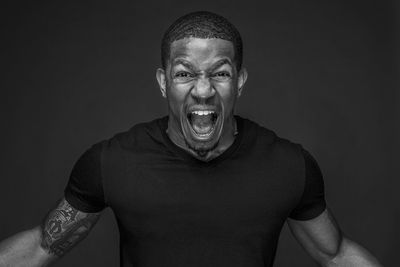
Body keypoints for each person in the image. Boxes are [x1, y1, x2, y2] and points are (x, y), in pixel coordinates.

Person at [0, 11, 383, 267]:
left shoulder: (288, 165)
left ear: (240, 81)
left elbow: (335, 254)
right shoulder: (112, 161)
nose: (202, 90)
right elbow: (42, 245)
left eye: (220, 73)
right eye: (184, 74)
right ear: (163, 81)